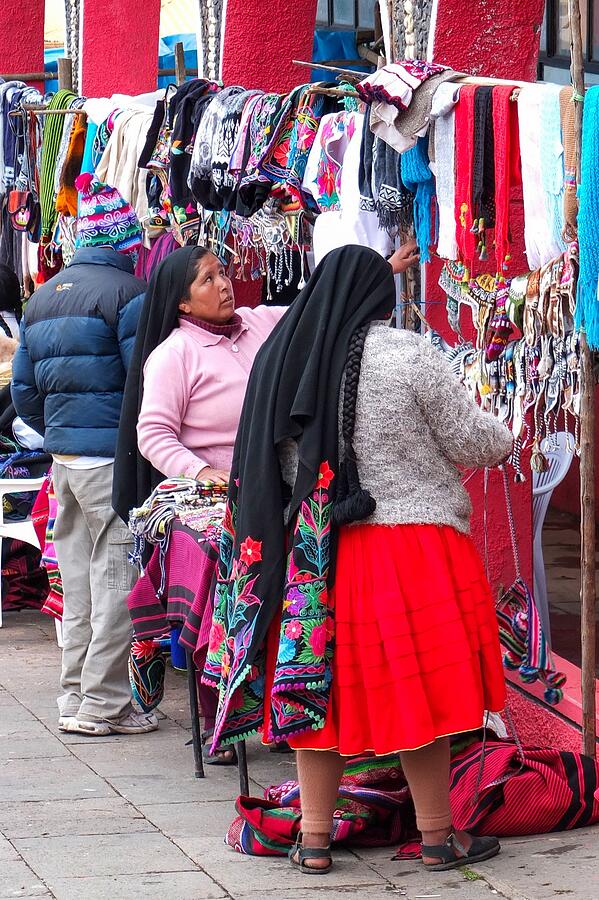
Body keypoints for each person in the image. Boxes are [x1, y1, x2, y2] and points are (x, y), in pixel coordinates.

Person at [204, 244, 513, 873]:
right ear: (379, 296)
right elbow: (474, 443)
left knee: (316, 697)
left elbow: (274, 467)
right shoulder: (408, 356)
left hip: (320, 560)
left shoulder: (280, 361)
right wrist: (507, 429)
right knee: (420, 696)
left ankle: (313, 840)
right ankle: (437, 837)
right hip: (416, 552)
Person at [11, 174, 155, 737]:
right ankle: (104, 704)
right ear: (124, 241)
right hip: (110, 462)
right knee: (115, 579)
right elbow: (142, 381)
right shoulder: (129, 294)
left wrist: (61, 432)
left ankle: (74, 696)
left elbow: (24, 391)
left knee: (77, 584)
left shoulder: (42, 295)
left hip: (65, 460)